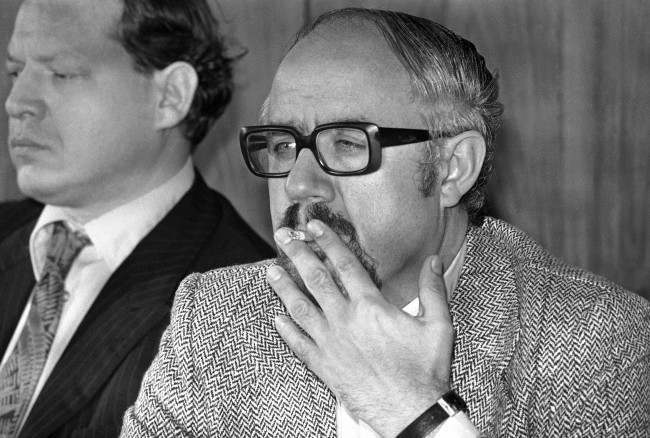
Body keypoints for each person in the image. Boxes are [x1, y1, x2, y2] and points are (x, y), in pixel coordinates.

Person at [121, 8, 650, 438]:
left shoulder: (595, 341)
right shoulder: (214, 319)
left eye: (347, 144)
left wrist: (416, 413)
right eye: (283, 145)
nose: (300, 185)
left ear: (452, 169)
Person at [0, 0, 274, 436]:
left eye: (62, 74)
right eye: (16, 72)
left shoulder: (243, 312)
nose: (17, 103)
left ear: (169, 96)